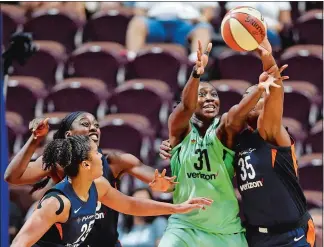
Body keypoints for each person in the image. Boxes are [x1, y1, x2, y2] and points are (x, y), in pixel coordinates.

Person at [159, 45, 316, 246]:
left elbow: (275, 97)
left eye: (258, 97)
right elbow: (198, 141)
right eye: (246, 97)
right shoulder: (235, 141)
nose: (250, 101)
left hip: (291, 233)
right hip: (256, 236)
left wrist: (268, 65)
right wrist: (172, 146)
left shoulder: (272, 132)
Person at [4, 111, 178, 247]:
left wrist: (165, 186)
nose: (94, 128)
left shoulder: (115, 161)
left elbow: (166, 187)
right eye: (85, 124)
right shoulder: (57, 163)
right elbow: (12, 177)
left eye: (96, 124)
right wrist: (34, 140)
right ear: (68, 135)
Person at [10, 135, 212, 247]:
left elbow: (131, 205)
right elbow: (19, 243)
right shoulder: (57, 203)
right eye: (96, 153)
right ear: (86, 165)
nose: (101, 156)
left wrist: (176, 208)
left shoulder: (98, 186)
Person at [125, 2, 218, 62]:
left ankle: (195, 59)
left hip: (187, 24)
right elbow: (139, 9)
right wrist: (143, 16)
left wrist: (201, 19)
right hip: (156, 22)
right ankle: (132, 58)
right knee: (137, 22)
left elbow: (209, 10)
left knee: (204, 28)